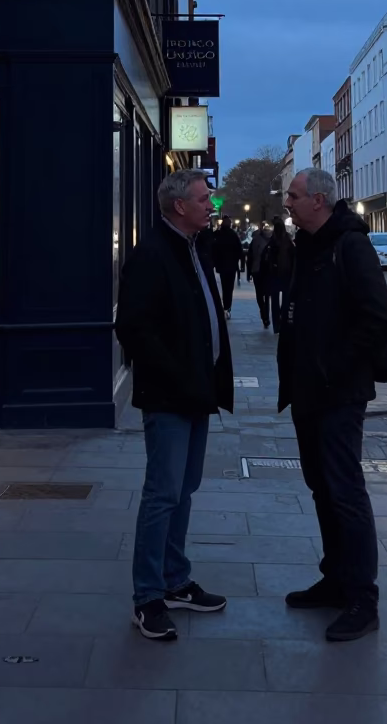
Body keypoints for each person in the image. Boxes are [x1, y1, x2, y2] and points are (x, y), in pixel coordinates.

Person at [277, 168, 387, 642]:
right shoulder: (309, 243)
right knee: (320, 487)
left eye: (294, 194)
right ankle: (336, 578)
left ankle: (363, 598)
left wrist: (332, 368)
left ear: (320, 200)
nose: (286, 200)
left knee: (345, 490)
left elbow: (376, 320)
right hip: (308, 391)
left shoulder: (350, 245)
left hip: (339, 394)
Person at [115, 170, 234, 641]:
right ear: (180, 205)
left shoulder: (193, 247)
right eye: (205, 198)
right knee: (163, 492)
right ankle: (147, 596)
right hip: (170, 396)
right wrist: (178, 375)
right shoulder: (152, 254)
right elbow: (133, 329)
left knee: (185, 487)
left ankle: (175, 579)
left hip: (196, 392)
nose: (212, 204)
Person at [261, 216, 295, 333]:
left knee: (276, 301)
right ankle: (281, 321)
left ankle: (277, 324)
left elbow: (265, 259)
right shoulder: (287, 242)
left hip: (276, 274)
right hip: (283, 274)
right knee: (283, 300)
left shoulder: (273, 242)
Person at [211, 215, 244, 319]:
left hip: (222, 265)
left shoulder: (218, 234)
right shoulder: (233, 235)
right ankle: (227, 306)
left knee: (225, 286)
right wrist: (241, 265)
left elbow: (213, 249)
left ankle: (225, 306)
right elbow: (240, 251)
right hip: (231, 265)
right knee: (228, 288)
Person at [247, 222, 272, 328]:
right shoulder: (274, 240)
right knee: (267, 294)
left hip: (257, 270)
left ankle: (264, 314)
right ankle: (266, 313)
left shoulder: (256, 240)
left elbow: (250, 256)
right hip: (269, 271)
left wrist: (248, 272)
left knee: (259, 294)